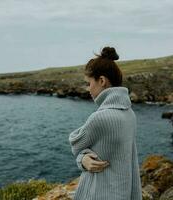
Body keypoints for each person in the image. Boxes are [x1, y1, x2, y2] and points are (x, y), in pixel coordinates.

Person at [69, 47, 142, 200]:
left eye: (89, 83)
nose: (87, 89)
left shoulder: (100, 118)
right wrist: (84, 159)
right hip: (123, 193)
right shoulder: (130, 114)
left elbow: (75, 143)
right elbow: (129, 160)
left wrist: (82, 159)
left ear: (101, 81)